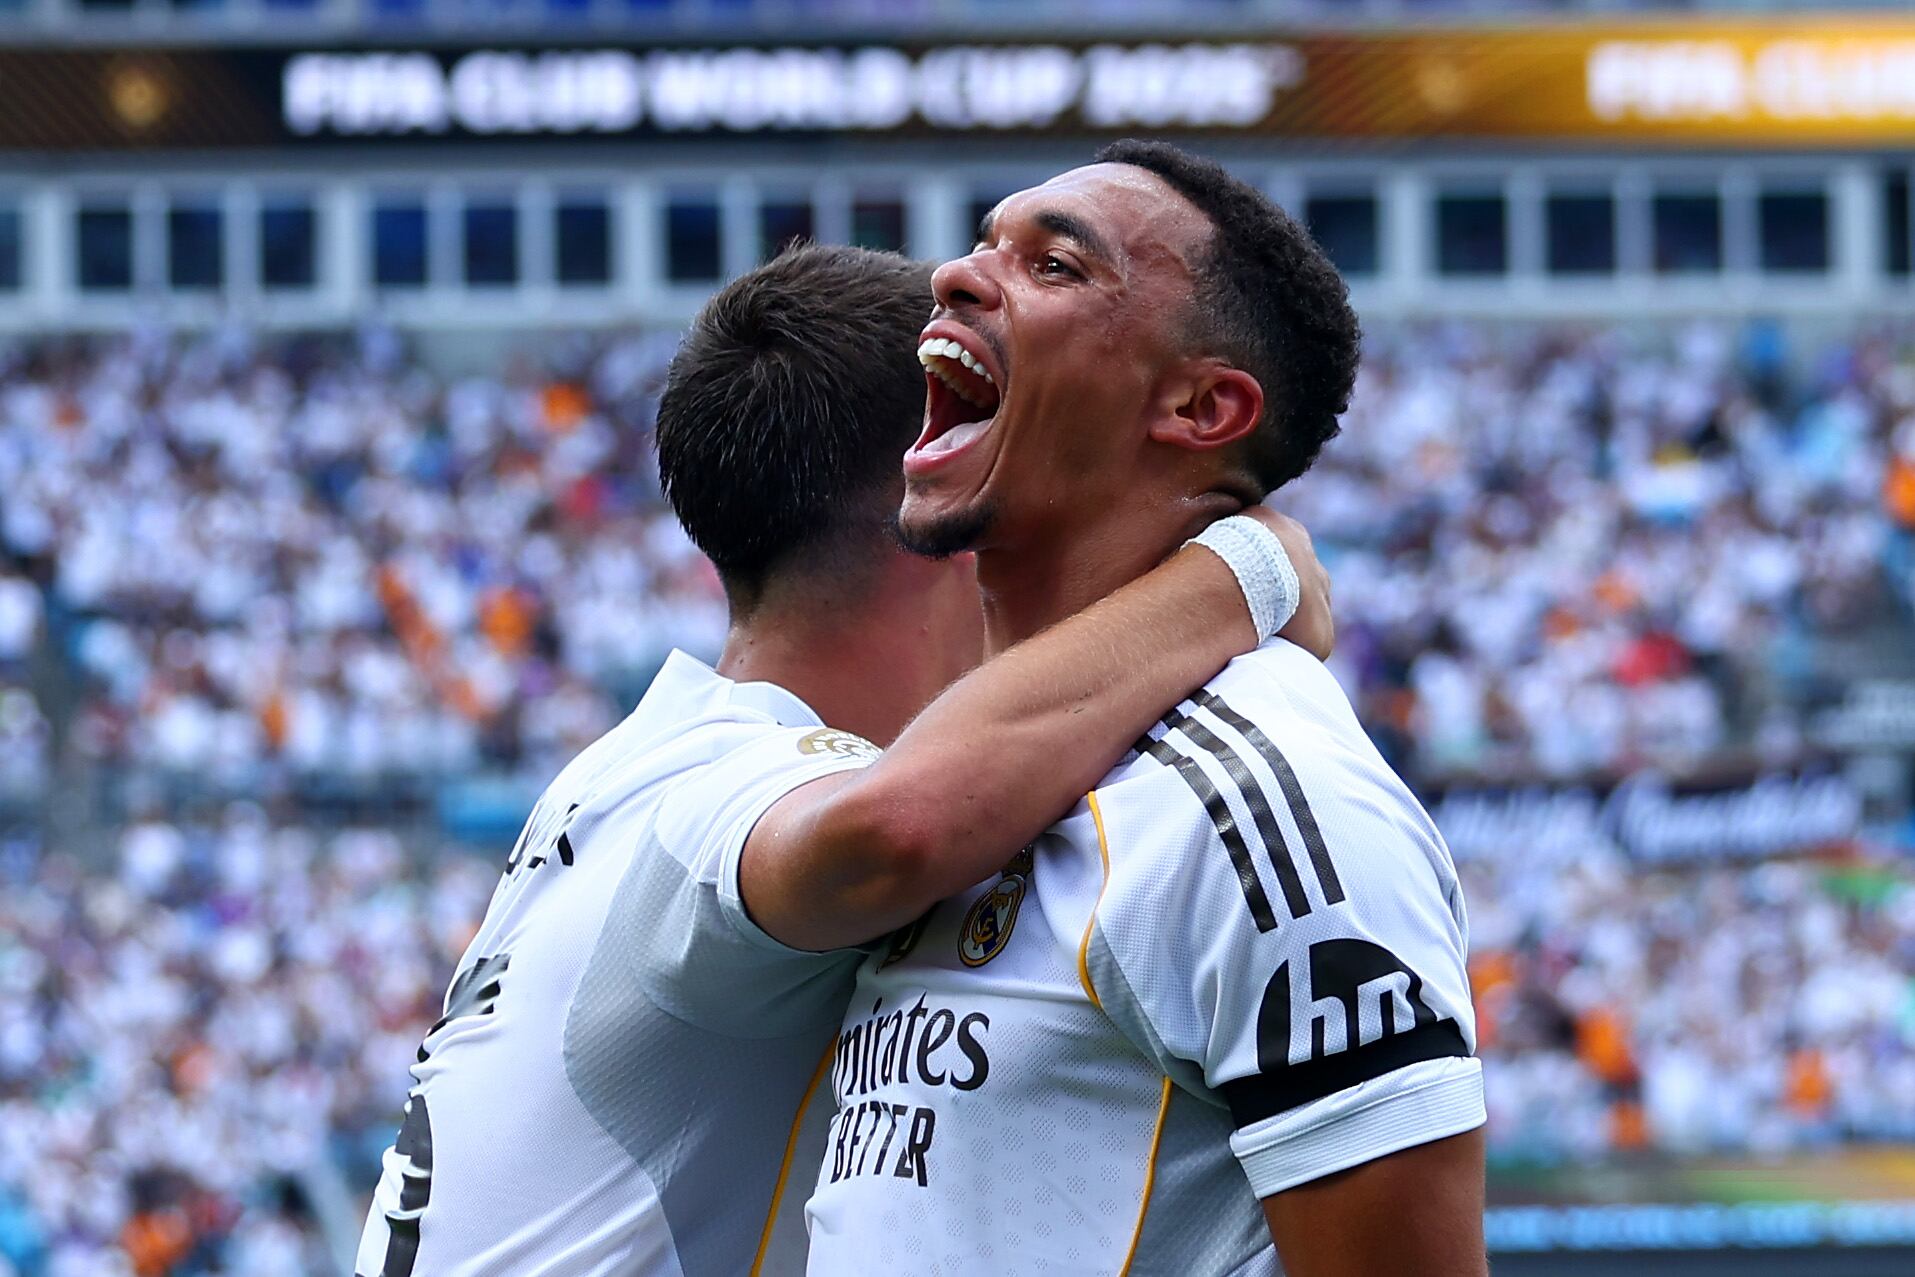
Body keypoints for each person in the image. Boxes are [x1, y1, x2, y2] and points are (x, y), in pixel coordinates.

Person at [354, 244, 1336, 1277]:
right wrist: (1242, 569)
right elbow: (887, 830)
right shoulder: (722, 786)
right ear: (946, 510)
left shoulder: (642, 762)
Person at [801, 144, 1487, 1276]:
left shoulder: (1265, 799)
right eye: (983, 242)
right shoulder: (951, 775)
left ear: (1202, 406)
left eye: (1056, 265)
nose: (957, 277)